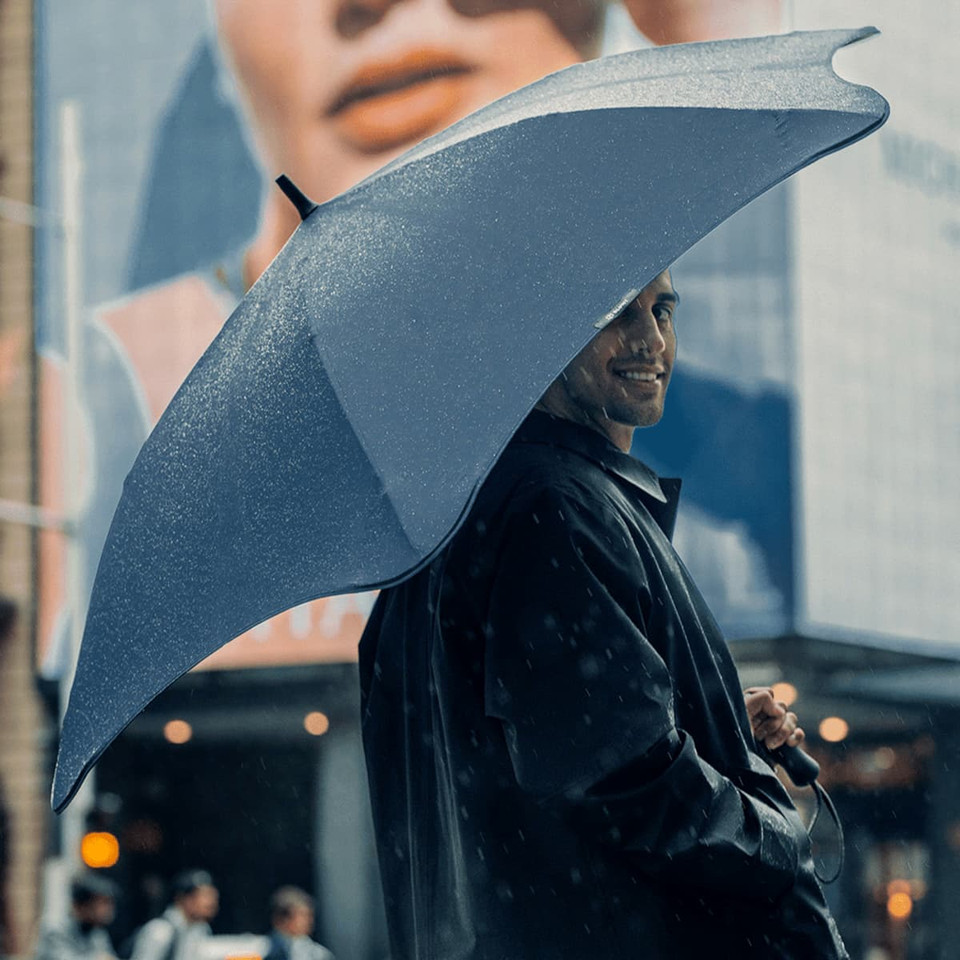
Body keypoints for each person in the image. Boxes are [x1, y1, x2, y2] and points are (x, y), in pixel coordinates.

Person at [358, 268, 847, 958]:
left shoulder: (499, 503)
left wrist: (716, 726)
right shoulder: (552, 506)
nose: (652, 340)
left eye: (664, 310)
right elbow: (622, 780)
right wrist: (775, 832)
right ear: (541, 336)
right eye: (619, 312)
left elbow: (563, 738)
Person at [129, 871, 218, 960]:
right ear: (183, 898)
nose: (212, 903)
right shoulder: (160, 930)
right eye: (205, 896)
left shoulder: (200, 930)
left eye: (214, 896)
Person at [34, 873, 118, 960]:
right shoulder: (54, 929)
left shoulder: (97, 933)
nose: (108, 909)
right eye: (102, 903)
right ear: (81, 906)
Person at [263, 888, 334, 960]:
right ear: (281, 918)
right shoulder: (261, 950)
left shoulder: (318, 954)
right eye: (302, 915)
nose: (309, 921)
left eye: (309, 916)